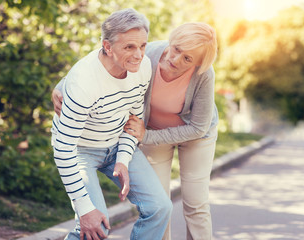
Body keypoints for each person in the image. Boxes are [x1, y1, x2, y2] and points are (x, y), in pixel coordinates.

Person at [53, 22, 218, 240]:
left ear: (198, 63)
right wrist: (62, 85)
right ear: (172, 41)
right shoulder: (147, 53)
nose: (175, 60)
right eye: (177, 49)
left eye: (188, 59)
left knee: (196, 203)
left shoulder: (204, 75)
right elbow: (102, 59)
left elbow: (198, 127)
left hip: (193, 135)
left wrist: (144, 136)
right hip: (150, 131)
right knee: (160, 206)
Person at [51, 8, 172, 240]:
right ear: (107, 47)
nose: (139, 55)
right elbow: (63, 148)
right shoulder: (83, 83)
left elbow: (133, 122)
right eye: (129, 47)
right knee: (95, 227)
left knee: (160, 207)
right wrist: (85, 210)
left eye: (142, 46)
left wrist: (123, 160)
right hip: (79, 150)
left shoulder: (143, 67)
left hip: (116, 142)